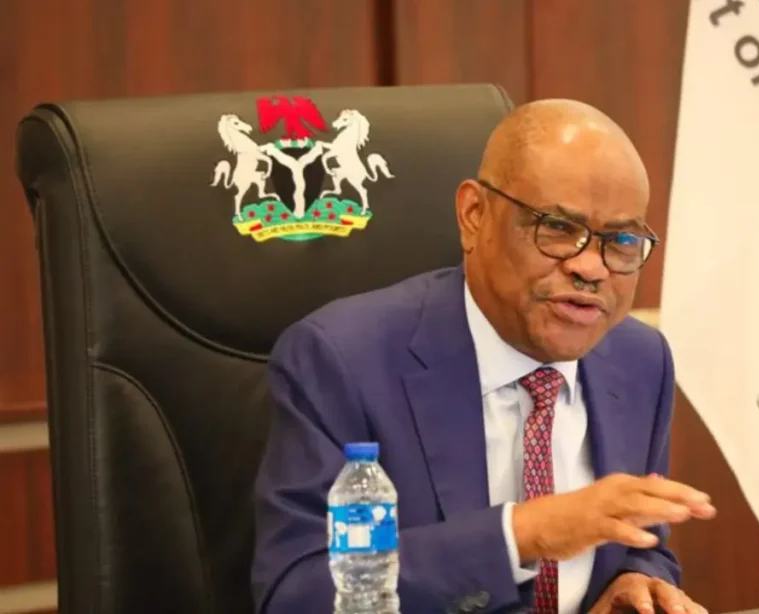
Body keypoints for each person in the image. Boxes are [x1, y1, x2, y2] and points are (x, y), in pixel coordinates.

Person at [251, 99, 717, 614]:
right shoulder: (342, 360)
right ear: (474, 216)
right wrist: (522, 535)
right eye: (558, 228)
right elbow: (299, 593)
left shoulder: (638, 359)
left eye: (622, 240)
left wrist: (639, 578)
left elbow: (642, 544)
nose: (591, 268)